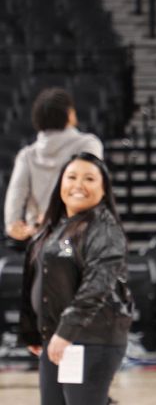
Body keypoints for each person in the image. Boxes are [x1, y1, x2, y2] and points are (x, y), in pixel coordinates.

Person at [18, 151, 131, 405]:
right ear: (61, 184)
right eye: (71, 177)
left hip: (90, 339)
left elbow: (97, 285)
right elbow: (36, 280)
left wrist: (66, 332)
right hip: (58, 339)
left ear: (103, 190)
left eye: (89, 179)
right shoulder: (52, 228)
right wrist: (33, 331)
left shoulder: (104, 229)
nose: (78, 184)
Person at [4, 88, 103, 243]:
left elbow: (16, 195)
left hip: (40, 234)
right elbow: (90, 187)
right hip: (80, 233)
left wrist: (13, 224)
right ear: (70, 114)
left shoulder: (27, 155)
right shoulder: (89, 144)